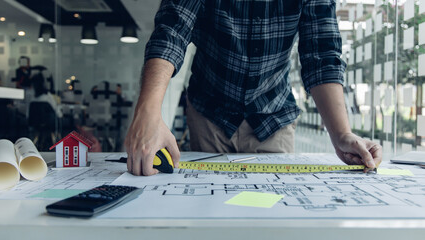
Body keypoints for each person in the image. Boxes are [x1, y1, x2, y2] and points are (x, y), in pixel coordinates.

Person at [125, 0, 382, 176]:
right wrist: (147, 113)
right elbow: (172, 31)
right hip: (209, 112)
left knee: (272, 215)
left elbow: (321, 54)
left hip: (273, 115)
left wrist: (341, 134)